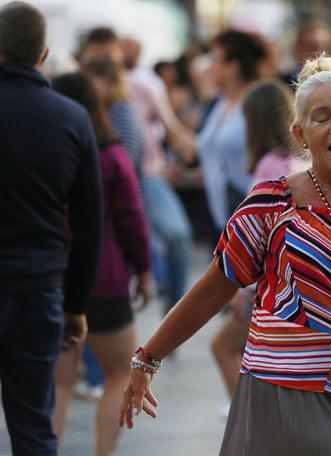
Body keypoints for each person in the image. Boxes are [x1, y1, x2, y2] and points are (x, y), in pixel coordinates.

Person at [119, 55, 331, 456]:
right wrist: (146, 358)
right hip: (283, 395)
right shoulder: (271, 203)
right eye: (322, 117)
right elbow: (214, 287)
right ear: (301, 133)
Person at [0, 2, 102, 454]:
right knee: (33, 427)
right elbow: (88, 221)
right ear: (43, 54)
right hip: (38, 291)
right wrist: (76, 304)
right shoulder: (72, 119)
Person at [50, 73, 153, 456]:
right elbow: (132, 219)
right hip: (106, 282)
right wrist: (143, 271)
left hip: (57, 281)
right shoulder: (111, 157)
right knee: (118, 375)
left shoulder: (49, 158)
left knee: (58, 384)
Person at [79, 27, 194, 315]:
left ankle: (175, 308)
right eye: (98, 53)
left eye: (109, 51)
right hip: (99, 180)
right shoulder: (79, 86)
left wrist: (185, 155)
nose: (104, 59)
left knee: (178, 235)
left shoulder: (143, 86)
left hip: (146, 175)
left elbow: (172, 128)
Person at [210, 79, 300, 420]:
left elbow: (259, 235)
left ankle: (250, 420)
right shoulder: (295, 160)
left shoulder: (269, 166)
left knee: (223, 347)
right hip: (283, 283)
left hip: (262, 285)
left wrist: (241, 287)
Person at [197, 29, 269, 232]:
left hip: (250, 219)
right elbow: (218, 157)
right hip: (219, 218)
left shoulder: (257, 102)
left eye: (215, 60)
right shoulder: (220, 103)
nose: (209, 67)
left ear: (233, 67)